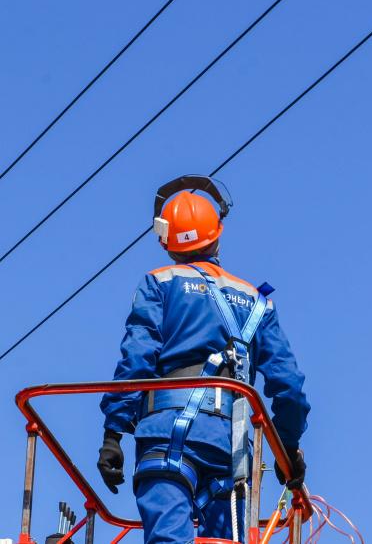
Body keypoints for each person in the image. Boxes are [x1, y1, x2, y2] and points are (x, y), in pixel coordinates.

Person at [97, 175, 310, 543]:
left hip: (166, 434)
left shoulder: (158, 283)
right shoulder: (257, 302)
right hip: (232, 448)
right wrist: (287, 448)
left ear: (166, 241)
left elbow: (137, 358)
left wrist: (114, 432)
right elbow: (287, 384)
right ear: (218, 232)